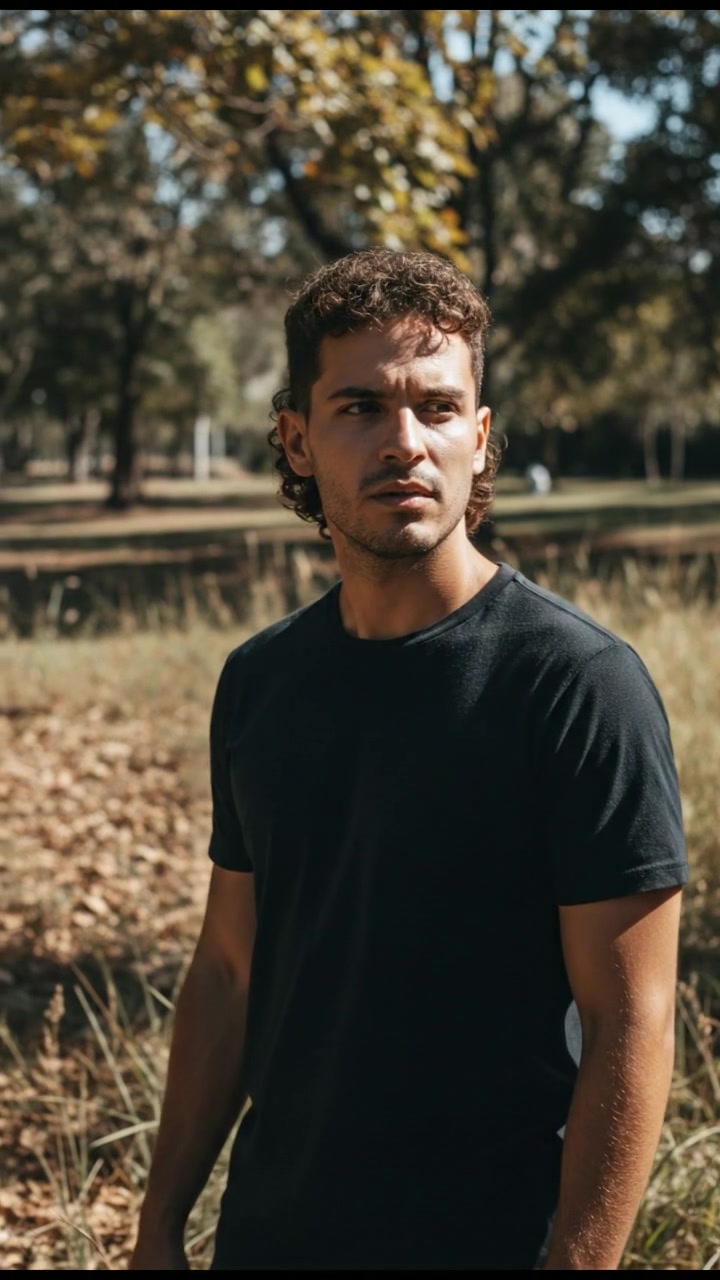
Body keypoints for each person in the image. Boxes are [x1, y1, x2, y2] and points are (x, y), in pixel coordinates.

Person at [130, 248, 688, 1271]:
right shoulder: (261, 681)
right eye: (360, 407)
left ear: (480, 439)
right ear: (295, 439)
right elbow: (226, 967)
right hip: (271, 1234)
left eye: (437, 409)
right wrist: (161, 1219)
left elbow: (633, 1015)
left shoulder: (578, 684)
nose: (405, 443)